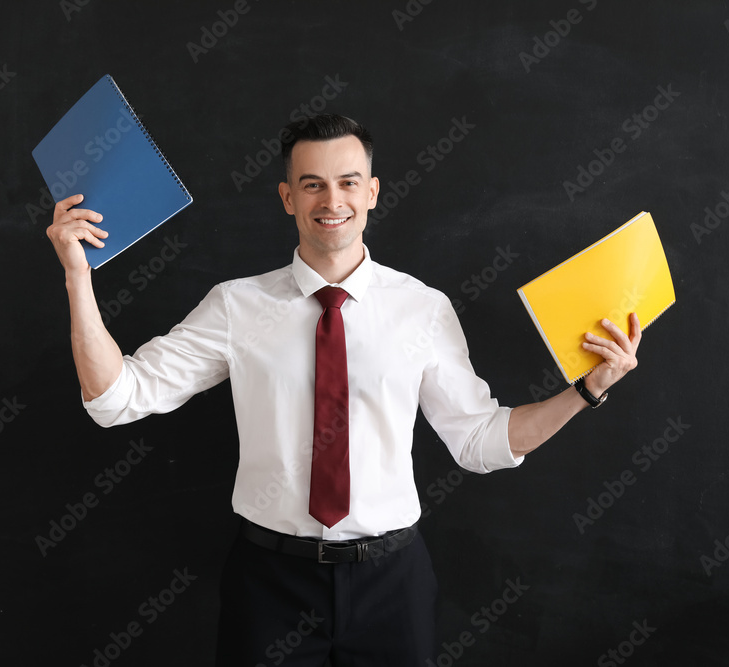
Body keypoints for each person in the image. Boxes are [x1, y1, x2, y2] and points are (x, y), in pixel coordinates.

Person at [45, 114, 641, 666]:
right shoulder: (236, 306)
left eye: (348, 182)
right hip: (269, 583)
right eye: (311, 185)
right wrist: (78, 275)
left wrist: (586, 391)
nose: (332, 201)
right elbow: (115, 398)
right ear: (287, 198)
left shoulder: (423, 310)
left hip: (392, 583)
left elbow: (480, 442)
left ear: (372, 193)